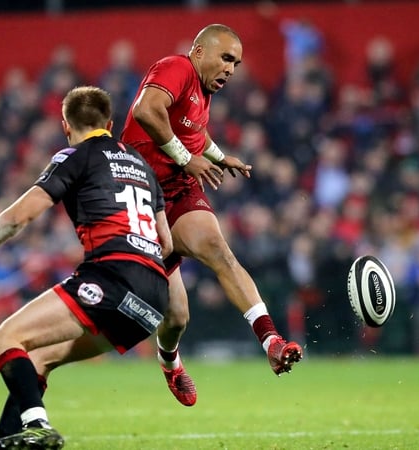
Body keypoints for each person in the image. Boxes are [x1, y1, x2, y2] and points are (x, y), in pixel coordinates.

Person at [0, 86, 173, 450]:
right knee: (37, 360)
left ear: (66, 125)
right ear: (109, 123)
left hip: (112, 277)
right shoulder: (143, 167)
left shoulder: (75, 155)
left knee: (3, 339)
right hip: (153, 298)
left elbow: (18, 218)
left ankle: (38, 426)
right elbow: (166, 243)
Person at [119, 23, 303, 407]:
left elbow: (193, 132)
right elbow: (147, 110)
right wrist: (188, 160)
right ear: (199, 52)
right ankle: (169, 361)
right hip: (139, 193)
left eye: (235, 63)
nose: (231, 69)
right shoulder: (177, 68)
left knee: (218, 249)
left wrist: (220, 157)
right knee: (177, 317)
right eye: (225, 58)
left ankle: (270, 339)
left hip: (178, 191)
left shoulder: (202, 92)